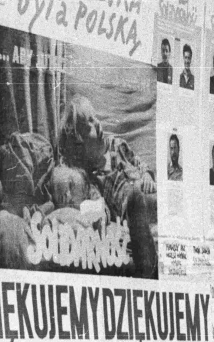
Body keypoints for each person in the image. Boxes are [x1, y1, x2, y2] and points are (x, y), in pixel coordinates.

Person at [55, 96, 158, 277]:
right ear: (80, 145)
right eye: (89, 123)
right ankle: (147, 263)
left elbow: (139, 163)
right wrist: (99, 213)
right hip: (132, 210)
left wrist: (147, 175)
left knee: (149, 198)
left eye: (95, 117)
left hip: (149, 192)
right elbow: (99, 207)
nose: (97, 124)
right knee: (135, 199)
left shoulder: (117, 145)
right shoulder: (91, 179)